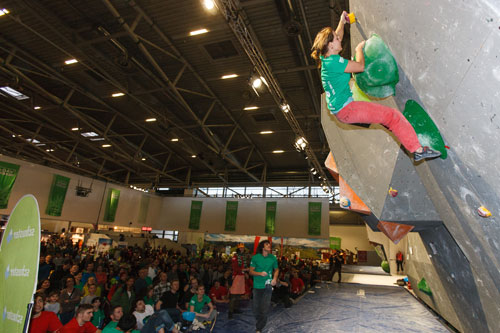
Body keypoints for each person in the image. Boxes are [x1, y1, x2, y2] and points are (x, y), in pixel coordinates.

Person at [310, 12, 441, 163]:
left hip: (343, 108)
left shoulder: (326, 56)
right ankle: (418, 150)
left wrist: (342, 22)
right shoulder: (333, 62)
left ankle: (409, 140)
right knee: (392, 117)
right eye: (337, 39)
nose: (340, 38)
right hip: (347, 110)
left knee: (388, 118)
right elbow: (359, 66)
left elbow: (336, 35)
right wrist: (359, 49)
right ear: (331, 45)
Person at [249, 240, 278, 333]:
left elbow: (276, 270)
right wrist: (260, 273)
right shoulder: (255, 258)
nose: (269, 246)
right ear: (262, 247)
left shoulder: (273, 258)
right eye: (267, 245)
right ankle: (259, 321)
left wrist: (274, 278)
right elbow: (251, 271)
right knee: (256, 308)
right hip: (257, 286)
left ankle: (259, 328)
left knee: (264, 309)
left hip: (268, 286)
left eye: (270, 245)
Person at [229, 243, 247, 319]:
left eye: (243, 248)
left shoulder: (244, 256)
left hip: (241, 277)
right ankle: (230, 312)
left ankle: (235, 309)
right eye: (240, 248)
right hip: (236, 276)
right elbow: (234, 268)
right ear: (238, 249)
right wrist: (243, 270)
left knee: (238, 295)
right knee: (233, 295)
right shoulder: (235, 256)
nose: (242, 249)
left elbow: (244, 266)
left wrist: (244, 272)